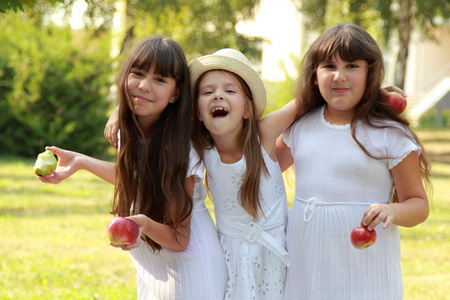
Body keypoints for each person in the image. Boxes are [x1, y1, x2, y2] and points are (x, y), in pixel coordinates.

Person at [38, 36, 227, 300]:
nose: (144, 85)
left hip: (191, 271)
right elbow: (137, 179)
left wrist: (143, 225)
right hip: (154, 268)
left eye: (160, 80)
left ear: (176, 93)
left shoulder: (181, 146)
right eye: (137, 73)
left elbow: (179, 238)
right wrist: (80, 161)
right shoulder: (131, 131)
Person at [275, 23, 431, 299]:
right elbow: (262, 163)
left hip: (365, 270)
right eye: (328, 66)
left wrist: (391, 211)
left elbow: (418, 205)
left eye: (352, 66)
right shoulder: (300, 127)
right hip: (307, 265)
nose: (339, 76)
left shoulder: (389, 134)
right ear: (314, 76)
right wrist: (300, 103)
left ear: (370, 73)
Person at [188, 48, 297, 299]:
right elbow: (161, 117)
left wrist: (371, 95)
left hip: (277, 252)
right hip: (230, 258)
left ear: (247, 109)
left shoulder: (264, 134)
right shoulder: (200, 148)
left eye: (229, 90)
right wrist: (120, 112)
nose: (218, 95)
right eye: (207, 91)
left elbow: (306, 102)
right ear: (196, 113)